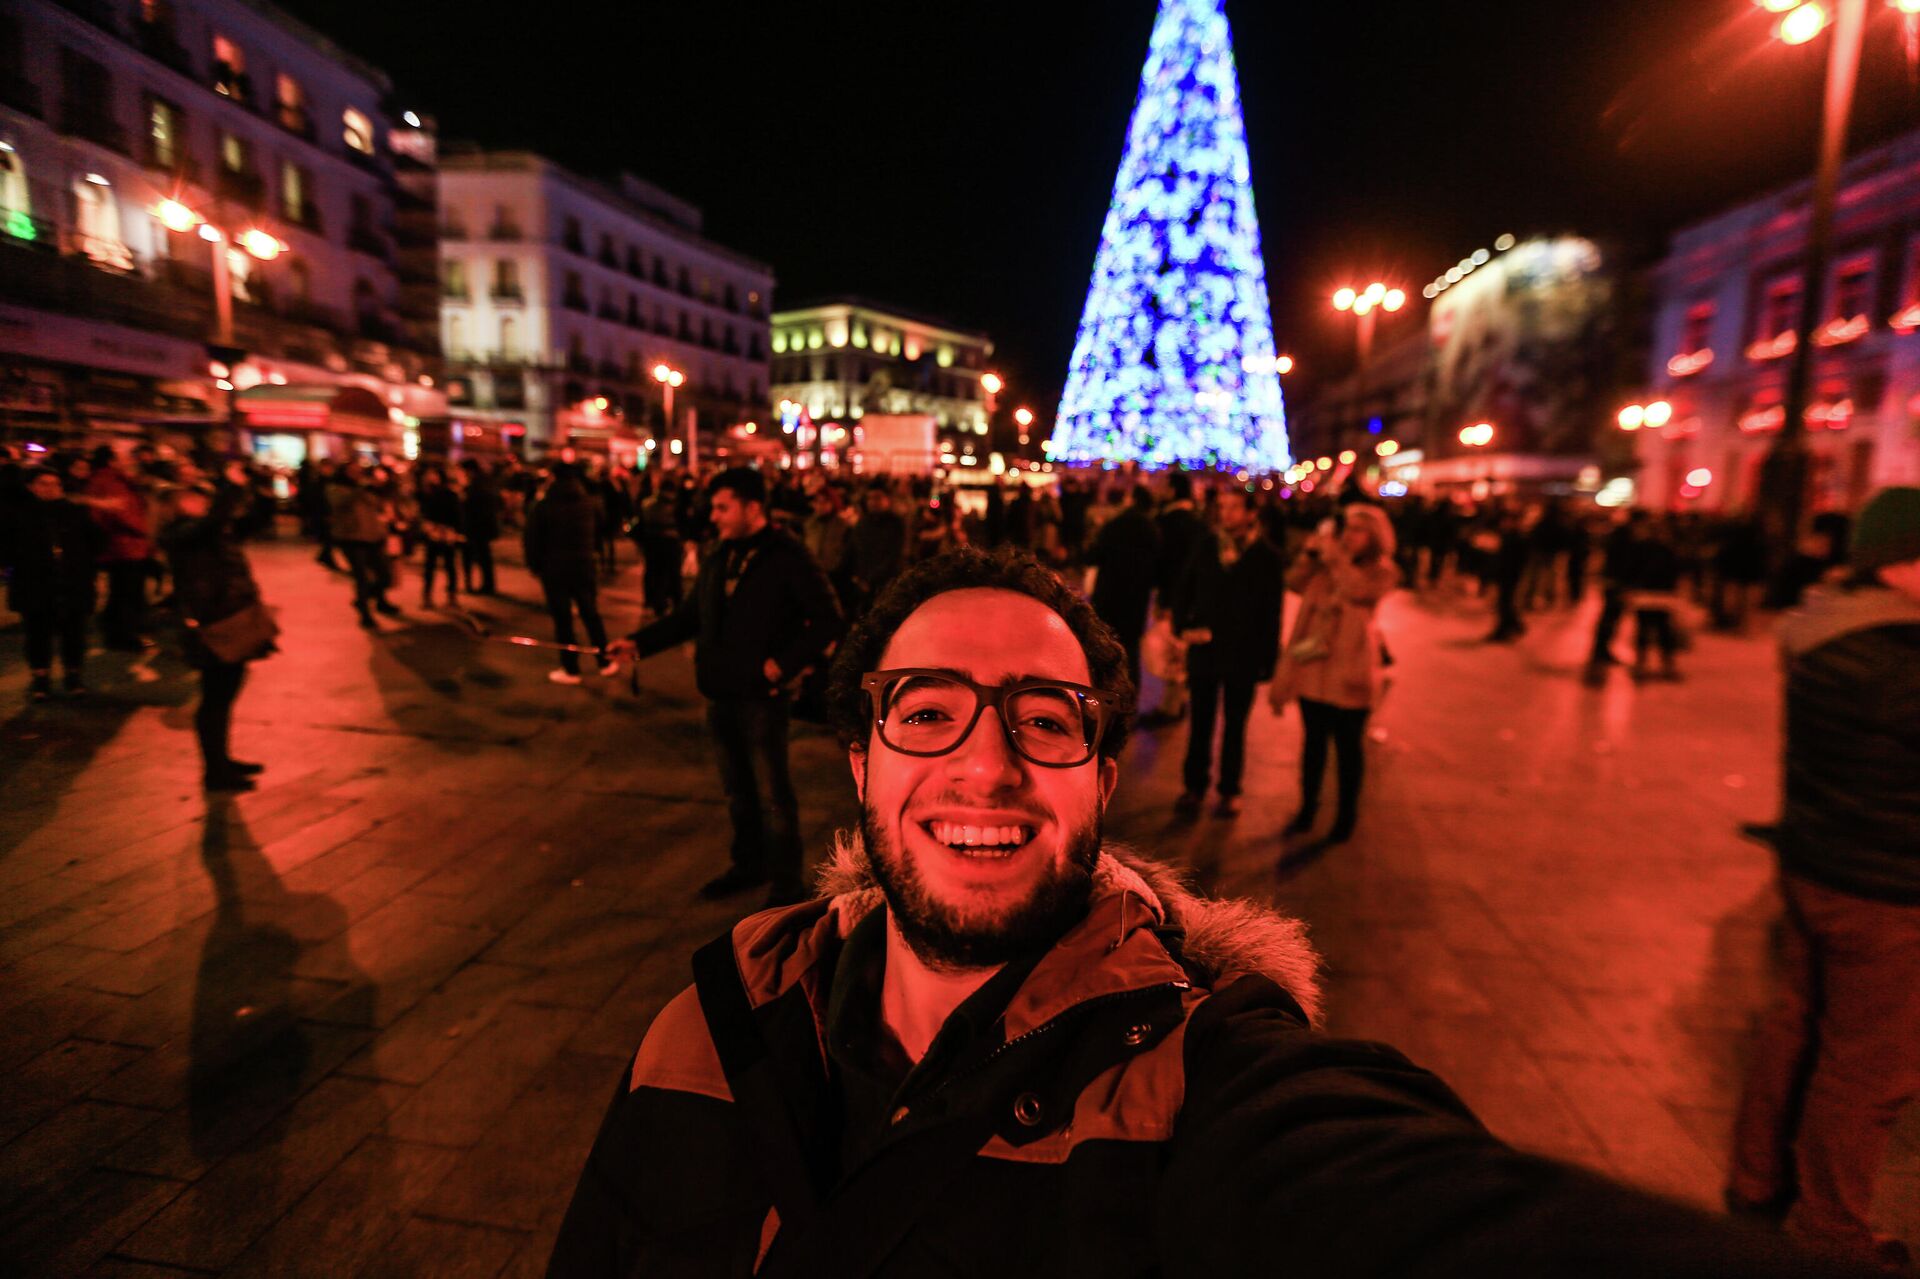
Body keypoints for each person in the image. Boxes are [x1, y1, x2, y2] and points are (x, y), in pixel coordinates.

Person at [548, 545, 1878, 1279]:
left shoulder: (1197, 1080)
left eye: (1045, 720)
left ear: (1103, 776)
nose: (987, 761)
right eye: (930, 708)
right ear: (862, 760)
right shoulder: (708, 1018)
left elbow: (1388, 1193)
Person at [1727, 487, 1920, 1271]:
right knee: (1869, 1070)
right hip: (1891, 889)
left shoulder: (1824, 629)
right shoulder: (1900, 659)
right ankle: (1832, 1231)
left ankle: (1756, 1180)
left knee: (1794, 1027)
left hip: (1818, 867)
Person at [607, 467, 843, 907]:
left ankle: (787, 884)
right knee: (738, 790)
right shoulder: (719, 556)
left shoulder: (787, 555)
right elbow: (688, 617)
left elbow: (828, 618)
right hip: (720, 692)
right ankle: (748, 864)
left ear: (753, 508)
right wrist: (638, 645)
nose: (713, 516)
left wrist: (781, 667)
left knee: (773, 792)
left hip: (761, 697)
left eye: (722, 507)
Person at [1274, 504, 1399, 847]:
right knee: (1313, 744)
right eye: (1348, 528)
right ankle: (1307, 807)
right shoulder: (1325, 566)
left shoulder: (1382, 572)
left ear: (1374, 537)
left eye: (1359, 530)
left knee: (1348, 749)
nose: (1349, 535)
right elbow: (1294, 583)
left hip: (1353, 672)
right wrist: (1309, 556)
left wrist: (1333, 559)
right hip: (1315, 668)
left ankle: (1346, 816)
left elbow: (1359, 590)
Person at [1168, 486, 1284, 817]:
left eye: (1234, 508)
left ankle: (1230, 789)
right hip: (1205, 648)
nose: (1226, 513)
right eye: (1223, 507)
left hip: (1243, 654)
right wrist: (1181, 627)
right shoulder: (1206, 546)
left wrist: (1268, 659)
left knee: (1236, 726)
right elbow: (1183, 590)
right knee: (1200, 723)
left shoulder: (1266, 556)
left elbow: (1271, 612)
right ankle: (1194, 786)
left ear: (1251, 514)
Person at [162, 465, 273, 792]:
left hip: (234, 615)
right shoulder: (178, 534)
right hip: (212, 623)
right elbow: (213, 523)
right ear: (174, 504)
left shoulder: (210, 531)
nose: (200, 502)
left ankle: (221, 761)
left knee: (224, 696)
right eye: (191, 497)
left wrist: (261, 489)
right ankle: (214, 771)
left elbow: (253, 522)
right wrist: (231, 485)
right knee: (214, 698)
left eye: (201, 497)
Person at [3, 466, 101, 700]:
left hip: (72, 582)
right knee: (38, 632)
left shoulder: (75, 512)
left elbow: (97, 541)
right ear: (31, 487)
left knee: (74, 632)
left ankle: (73, 676)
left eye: (55, 484)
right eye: (44, 484)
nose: (50, 489)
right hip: (35, 583)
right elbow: (6, 546)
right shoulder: (18, 514)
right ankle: (40, 678)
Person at [523, 464, 616, 685]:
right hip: (583, 565)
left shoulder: (544, 505)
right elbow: (602, 529)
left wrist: (535, 566)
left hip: (554, 568)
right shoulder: (588, 503)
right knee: (590, 613)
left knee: (563, 619)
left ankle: (571, 668)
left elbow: (532, 539)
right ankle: (605, 661)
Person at [1087, 484, 1161, 691]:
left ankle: (1105, 695)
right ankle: (1130, 697)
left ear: (1132, 500)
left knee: (1104, 646)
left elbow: (1094, 555)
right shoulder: (1151, 529)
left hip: (1109, 595)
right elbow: (1158, 566)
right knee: (1131, 650)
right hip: (1136, 598)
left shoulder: (1115, 525)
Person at [85, 445, 154, 650]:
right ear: (111, 461)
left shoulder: (112, 480)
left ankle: (118, 634)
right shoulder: (110, 482)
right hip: (125, 546)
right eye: (123, 457)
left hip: (124, 546)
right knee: (127, 593)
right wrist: (147, 531)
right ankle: (125, 636)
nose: (129, 461)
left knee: (121, 593)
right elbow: (121, 513)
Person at [328, 466, 396, 627]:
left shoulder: (367, 490)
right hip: (351, 538)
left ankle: (374, 599)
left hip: (373, 537)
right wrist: (361, 488)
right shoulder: (336, 488)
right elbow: (340, 503)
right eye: (353, 471)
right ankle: (365, 613)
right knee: (362, 578)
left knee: (384, 575)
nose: (357, 474)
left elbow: (379, 506)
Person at [415, 467, 464, 607]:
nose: (431, 478)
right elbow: (421, 514)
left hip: (447, 533)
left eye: (434, 474)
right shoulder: (424, 494)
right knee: (429, 566)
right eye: (429, 475)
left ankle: (452, 596)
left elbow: (457, 514)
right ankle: (427, 597)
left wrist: (455, 531)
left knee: (450, 566)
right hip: (432, 533)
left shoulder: (449, 494)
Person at [459, 458, 500, 595]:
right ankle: (487, 584)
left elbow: (475, 504)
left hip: (479, 526)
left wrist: (464, 494)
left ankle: (487, 586)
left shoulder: (478, 484)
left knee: (482, 556)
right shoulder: (484, 481)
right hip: (482, 525)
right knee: (483, 556)